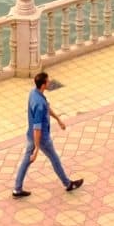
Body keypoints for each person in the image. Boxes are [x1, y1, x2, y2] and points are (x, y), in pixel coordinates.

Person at [11, 70, 82, 198]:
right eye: (48, 81)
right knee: (54, 159)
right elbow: (38, 128)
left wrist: (58, 119)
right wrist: (37, 149)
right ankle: (67, 184)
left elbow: (47, 108)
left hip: (30, 134)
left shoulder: (34, 93)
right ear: (43, 85)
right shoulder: (39, 104)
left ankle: (17, 188)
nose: (50, 82)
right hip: (41, 138)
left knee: (26, 160)